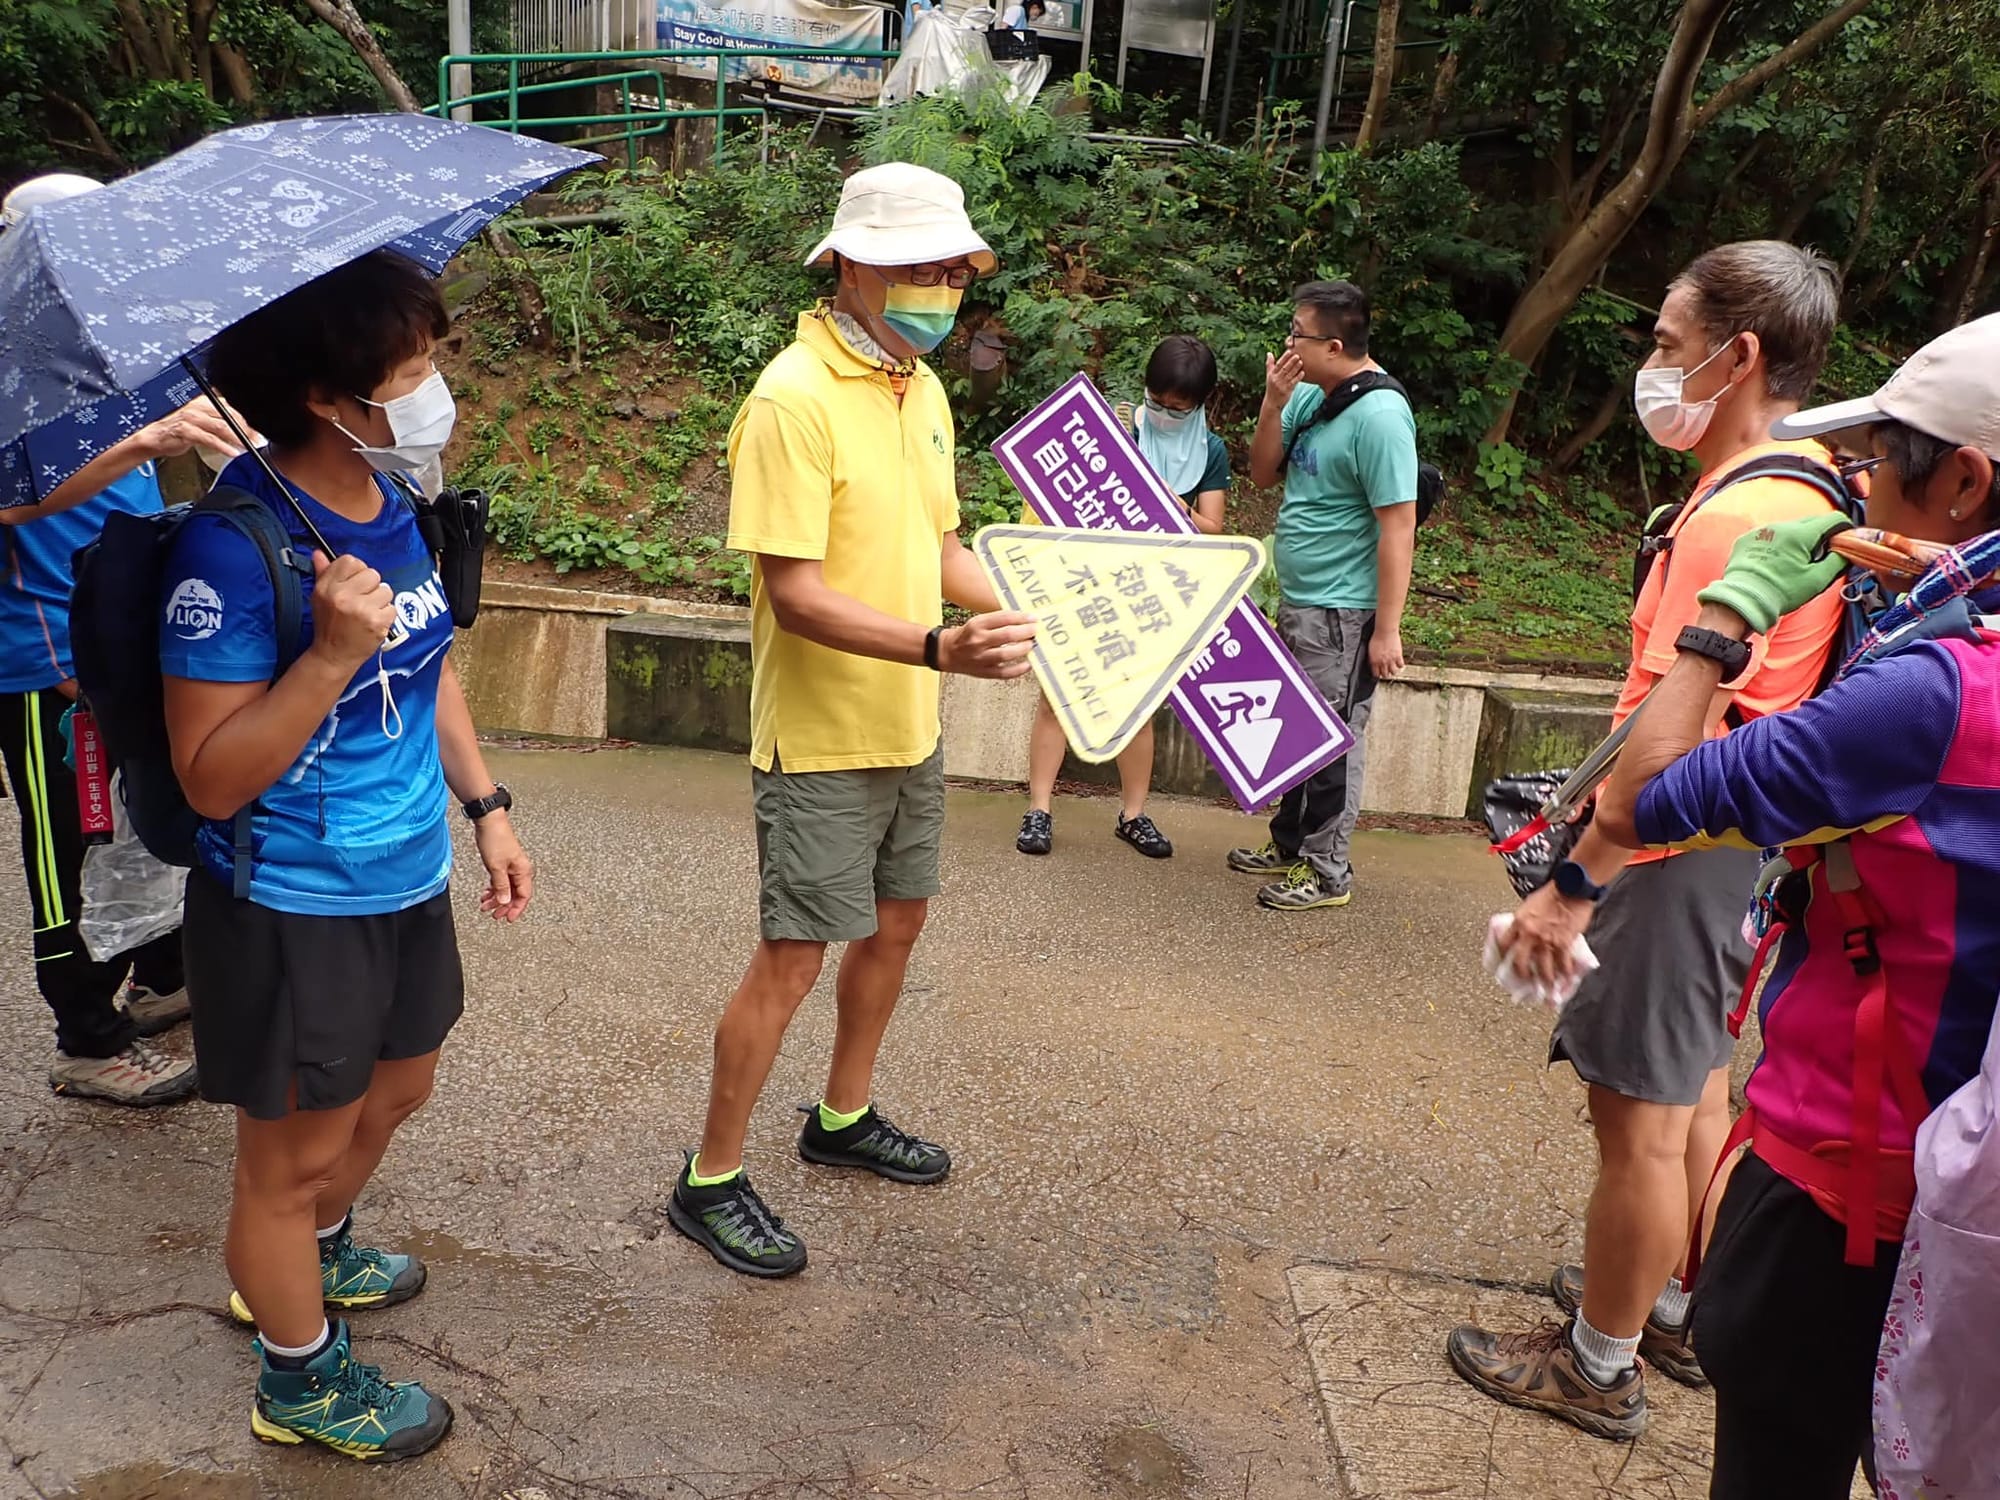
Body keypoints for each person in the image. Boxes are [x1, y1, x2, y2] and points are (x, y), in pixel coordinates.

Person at [1585, 311, 2000, 1495]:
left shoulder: (1931, 697)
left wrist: (1720, 619)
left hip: (1852, 1189)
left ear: (1964, 478)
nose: (1857, 484)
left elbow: (1638, 799)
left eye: (1880, 459)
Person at [1446, 241, 1849, 1440]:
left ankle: (1596, 1363)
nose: (1651, 368)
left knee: (1635, 1119)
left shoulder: (1738, 520)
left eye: (1668, 346)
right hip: (1737, 849)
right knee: (1697, 1096)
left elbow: (1666, 743)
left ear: (1738, 357)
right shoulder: (1807, 483)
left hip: (1671, 850)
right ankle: (1676, 1303)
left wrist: (1572, 886)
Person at [161, 250, 533, 1461]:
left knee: (399, 1091)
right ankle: (297, 1372)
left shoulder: (391, 504)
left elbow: (428, 674)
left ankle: (307, 1256)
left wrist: (487, 807)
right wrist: (323, 657)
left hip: (405, 872)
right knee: (288, 1159)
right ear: (329, 395)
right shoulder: (232, 549)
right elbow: (209, 776)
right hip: (292, 900)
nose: (436, 386)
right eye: (413, 366)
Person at [666, 164, 1036, 1280]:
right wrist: (938, 647)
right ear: (851, 266)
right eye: (918, 268)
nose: (939, 289)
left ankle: (841, 1117)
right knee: (790, 959)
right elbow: (797, 594)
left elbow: (932, 550)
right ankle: (710, 1179)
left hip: (907, 724)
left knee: (893, 931)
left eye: (952, 271)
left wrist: (1041, 606)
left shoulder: (915, 388)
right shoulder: (791, 398)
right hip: (822, 735)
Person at [0, 171, 243, 1106]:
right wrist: (147, 443)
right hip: (46, 658)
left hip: (124, 622)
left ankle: (154, 975)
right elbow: (12, 499)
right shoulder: (12, 354)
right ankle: (85, 1036)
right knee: (66, 845)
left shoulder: (118, 343)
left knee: (150, 814)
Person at [1227, 280, 1416, 911]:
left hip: (1344, 612)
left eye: (1296, 334)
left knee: (1335, 741)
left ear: (1333, 344)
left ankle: (1327, 869)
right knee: (1299, 732)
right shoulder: (1312, 394)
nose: (1287, 344)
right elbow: (1260, 472)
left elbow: (1398, 525)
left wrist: (1386, 629)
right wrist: (1273, 404)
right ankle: (1289, 844)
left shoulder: (1382, 416)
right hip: (1302, 600)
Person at [1015, 333, 1230, 859]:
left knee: (1139, 705)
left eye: (1176, 409)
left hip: (1153, 594)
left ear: (1200, 405)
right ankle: (1038, 810)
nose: (1162, 414)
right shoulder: (1111, 428)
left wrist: (1175, 509)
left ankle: (1133, 815)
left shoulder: (1211, 451)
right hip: (1086, 583)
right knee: (1058, 696)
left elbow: (1215, 529)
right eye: (1155, 401)